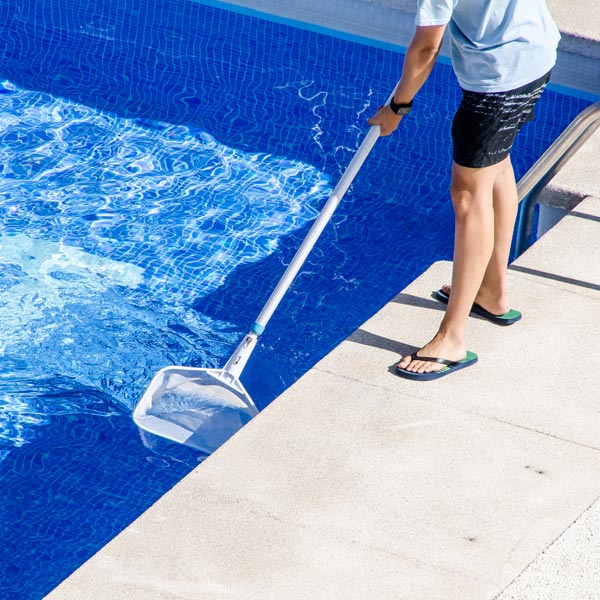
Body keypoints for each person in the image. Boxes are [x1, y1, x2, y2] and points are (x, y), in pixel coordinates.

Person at [368, 0, 560, 381]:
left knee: (468, 197)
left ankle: (452, 338)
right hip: (534, 54)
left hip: (498, 80)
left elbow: (427, 47)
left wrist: (398, 106)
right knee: (497, 166)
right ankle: (491, 291)